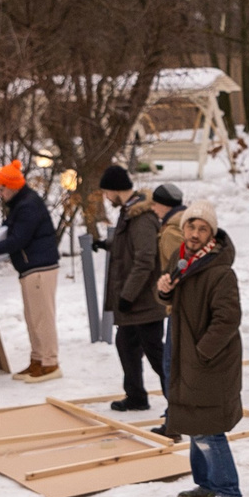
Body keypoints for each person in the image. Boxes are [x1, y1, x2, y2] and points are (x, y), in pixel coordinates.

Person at [158, 202, 244, 497]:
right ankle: (206, 483)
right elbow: (172, 299)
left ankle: (229, 491)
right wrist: (165, 291)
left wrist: (201, 353)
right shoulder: (182, 260)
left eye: (202, 229)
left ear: (212, 233)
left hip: (210, 360)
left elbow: (228, 319)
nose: (195, 234)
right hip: (185, 352)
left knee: (207, 426)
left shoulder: (219, 271)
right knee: (192, 421)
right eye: (191, 227)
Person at [0, 162, 61, 383]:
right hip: (30, 268)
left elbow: (19, 239)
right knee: (32, 317)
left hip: (39, 267)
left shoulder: (28, 206)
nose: (0, 193)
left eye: (1, 188)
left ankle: (50, 362)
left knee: (42, 318)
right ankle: (37, 359)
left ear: (12, 187)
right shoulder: (21, 204)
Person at [102, 167, 167, 413]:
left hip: (144, 301)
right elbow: (130, 245)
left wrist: (127, 296)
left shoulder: (141, 216)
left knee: (155, 353)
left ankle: (180, 403)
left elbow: (145, 259)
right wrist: (108, 244)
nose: (107, 197)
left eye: (107, 192)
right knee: (126, 345)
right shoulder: (129, 211)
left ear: (116, 189)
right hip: (133, 301)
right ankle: (136, 396)